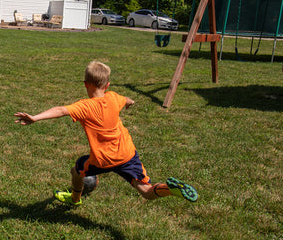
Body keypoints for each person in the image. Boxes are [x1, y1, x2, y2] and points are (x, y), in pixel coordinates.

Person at [13, 60, 198, 206]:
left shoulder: (85, 106)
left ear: (86, 84)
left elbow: (61, 110)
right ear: (107, 85)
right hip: (127, 154)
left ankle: (75, 199)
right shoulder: (114, 98)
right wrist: (130, 102)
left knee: (77, 170)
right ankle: (170, 189)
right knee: (147, 192)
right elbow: (126, 99)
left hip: (103, 160)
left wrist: (36, 117)